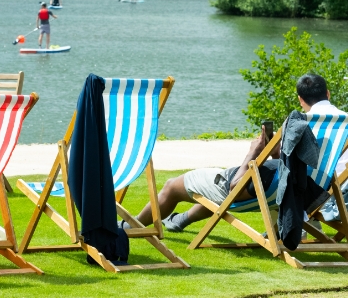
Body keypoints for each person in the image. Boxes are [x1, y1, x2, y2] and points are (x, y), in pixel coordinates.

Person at [133, 73, 341, 232]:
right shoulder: (342, 125)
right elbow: (290, 168)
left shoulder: (298, 125)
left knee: (173, 186)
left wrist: (255, 151)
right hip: (309, 194)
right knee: (219, 185)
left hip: (262, 191)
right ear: (328, 94)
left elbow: (234, 188)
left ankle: (129, 228)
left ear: (300, 99)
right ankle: (181, 219)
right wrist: (276, 153)